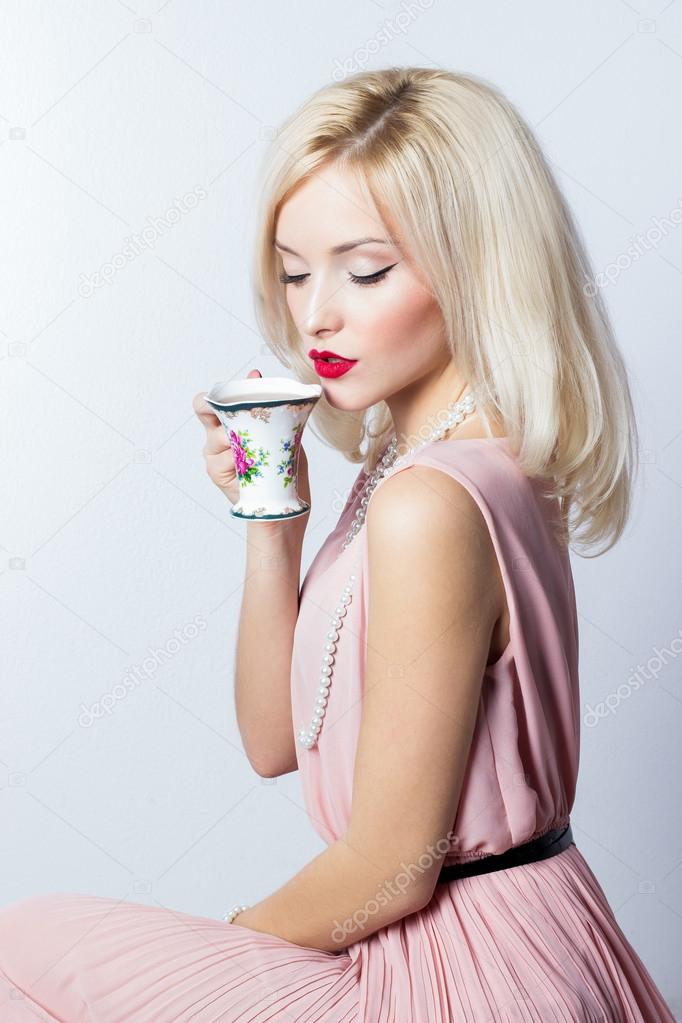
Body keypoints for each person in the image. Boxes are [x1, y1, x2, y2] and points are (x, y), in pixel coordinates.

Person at [0, 66, 674, 1022]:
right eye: (292, 269)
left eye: (365, 271)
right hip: (500, 932)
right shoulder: (421, 470)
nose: (316, 312)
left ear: (478, 265)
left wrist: (216, 954)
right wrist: (274, 517)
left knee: (29, 945)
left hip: (469, 967)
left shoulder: (431, 502)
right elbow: (274, 741)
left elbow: (396, 866)